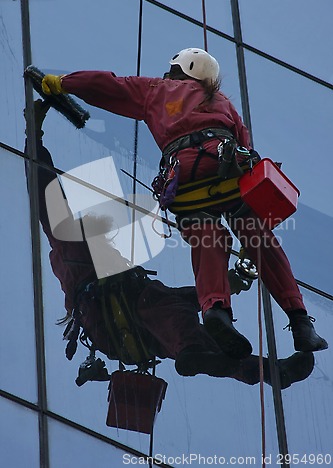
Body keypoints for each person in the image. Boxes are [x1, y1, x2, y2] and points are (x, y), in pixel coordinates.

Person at [41, 50, 328, 361]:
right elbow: (248, 150)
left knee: (209, 241)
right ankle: (300, 322)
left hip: (184, 182)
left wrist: (64, 83)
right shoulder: (224, 103)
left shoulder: (157, 91)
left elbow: (110, 86)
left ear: (179, 69)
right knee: (263, 243)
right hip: (228, 173)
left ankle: (216, 312)